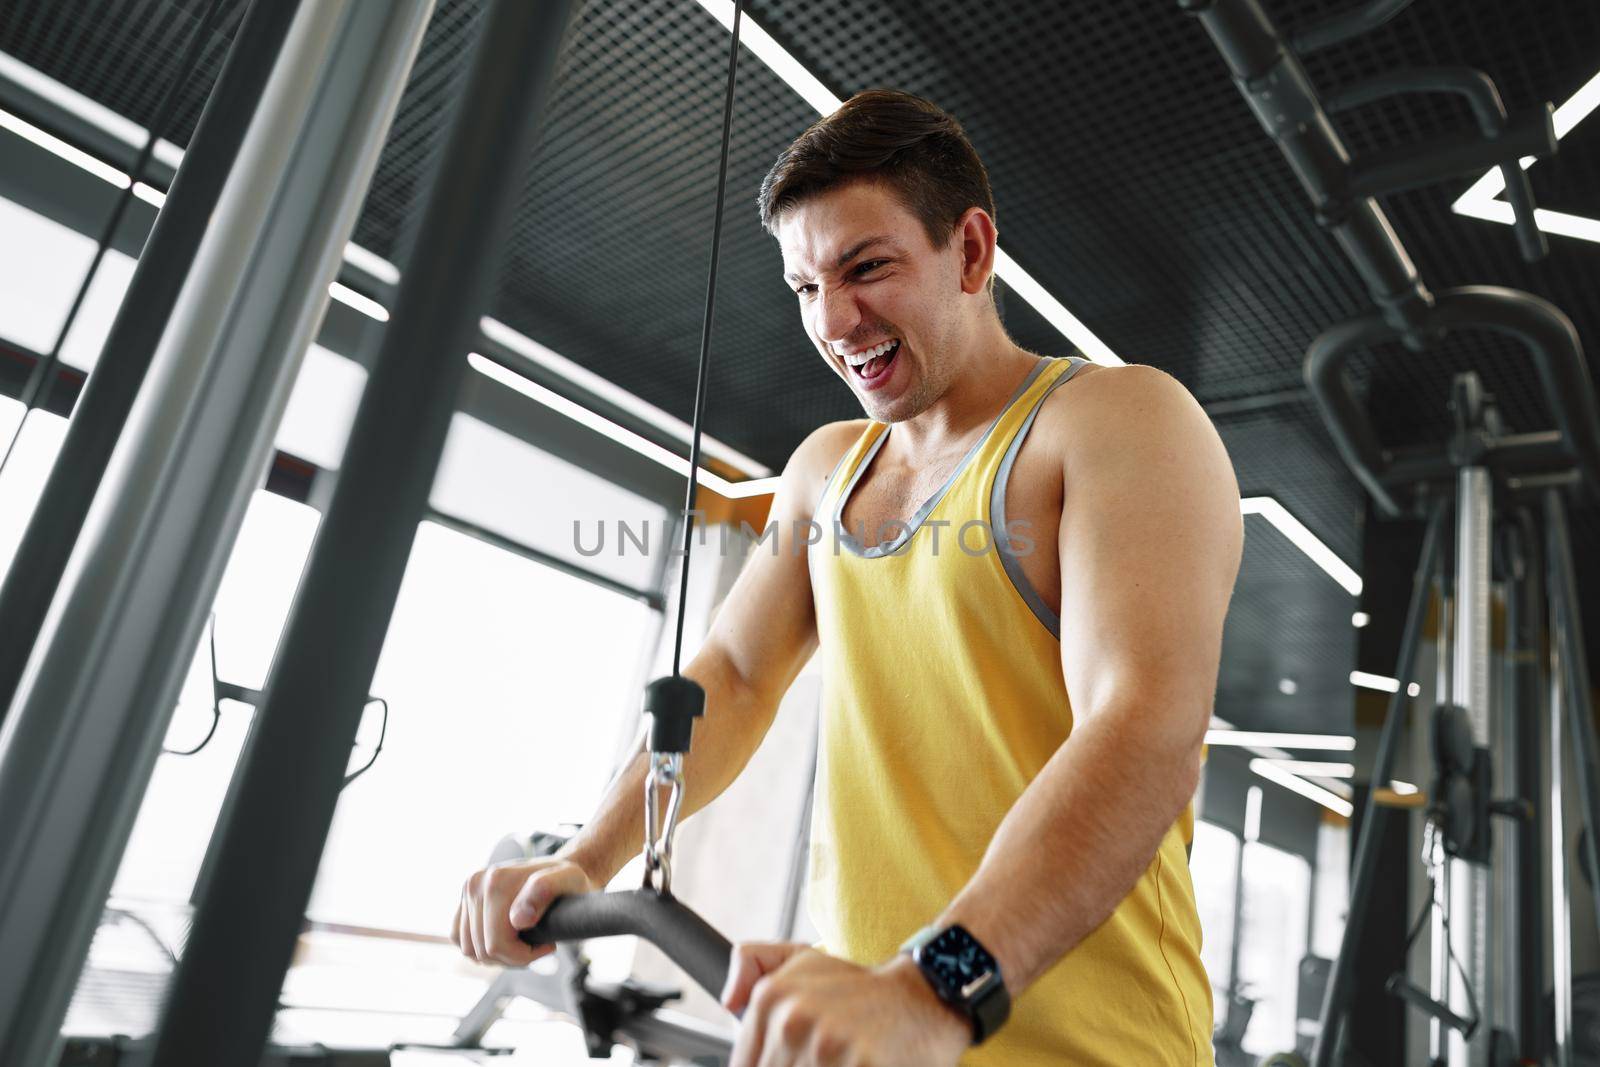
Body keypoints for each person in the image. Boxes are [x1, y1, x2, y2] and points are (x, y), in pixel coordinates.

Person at [452, 89, 1242, 1067]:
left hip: (1073, 1040)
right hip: (878, 1037)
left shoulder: (1112, 421)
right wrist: (586, 855)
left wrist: (937, 981)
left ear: (970, 250)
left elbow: (1143, 720)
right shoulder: (827, 468)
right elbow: (735, 675)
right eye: (804, 286)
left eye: (866, 268)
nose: (834, 318)